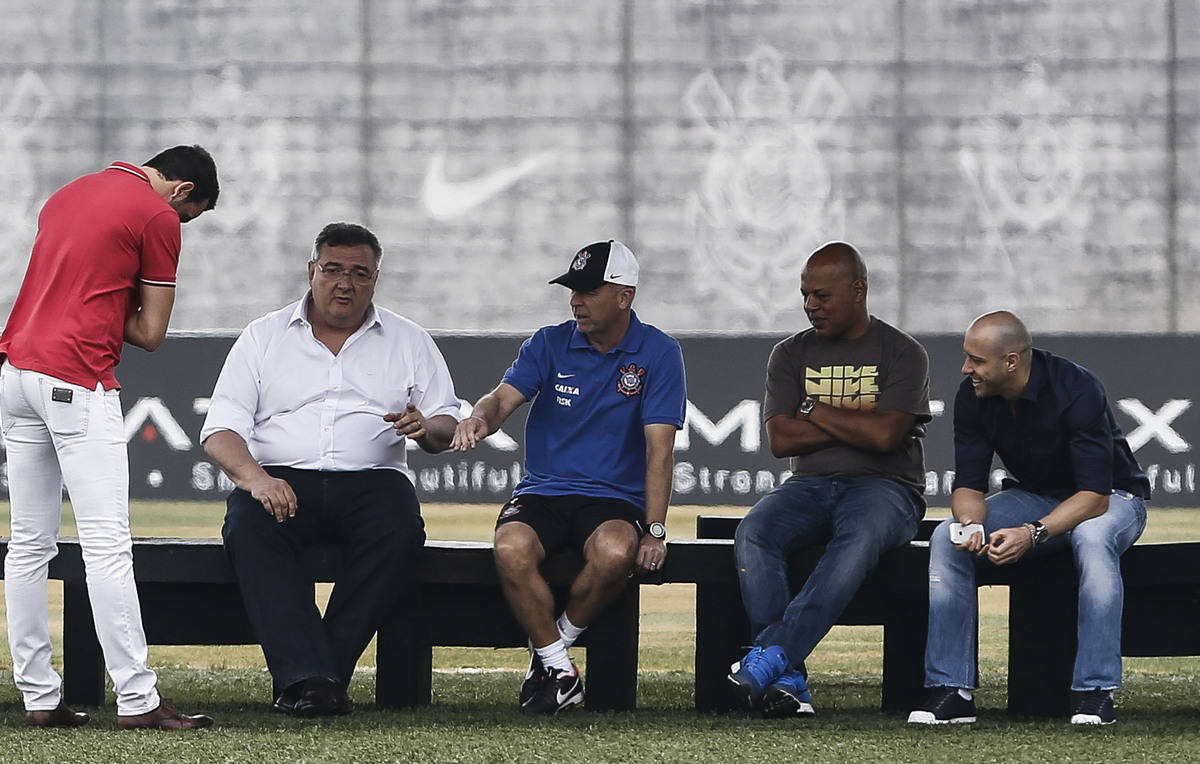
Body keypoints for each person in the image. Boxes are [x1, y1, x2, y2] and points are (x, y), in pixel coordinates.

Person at [200, 222, 460, 717]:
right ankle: (317, 679)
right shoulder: (263, 336)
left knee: (401, 530)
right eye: (333, 269)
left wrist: (425, 427)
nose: (345, 283)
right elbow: (221, 431)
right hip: (280, 476)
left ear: (376, 280)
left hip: (373, 480)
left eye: (360, 273)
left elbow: (445, 424)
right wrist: (257, 480)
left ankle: (315, 677)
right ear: (311, 271)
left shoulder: (409, 339)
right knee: (247, 526)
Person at [0, 145, 219, 730]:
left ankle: (39, 697)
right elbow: (151, 332)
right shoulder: (159, 216)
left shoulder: (69, 192)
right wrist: (106, 300)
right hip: (76, 377)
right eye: (191, 215)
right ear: (180, 192)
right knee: (105, 544)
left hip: (17, 373)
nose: (183, 226)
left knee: (26, 545)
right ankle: (138, 700)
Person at [451, 240, 686, 715]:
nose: (575, 299)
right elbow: (501, 399)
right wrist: (480, 418)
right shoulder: (548, 342)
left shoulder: (659, 353)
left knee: (617, 551)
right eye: (572, 289)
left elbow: (659, 451)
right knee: (510, 547)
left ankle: (548, 660)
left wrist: (656, 531)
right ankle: (561, 668)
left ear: (624, 296)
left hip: (614, 499)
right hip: (543, 491)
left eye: (589, 290)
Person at [908, 311, 1150, 726]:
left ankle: (1095, 692)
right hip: (1035, 496)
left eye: (976, 361)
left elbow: (1093, 497)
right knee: (948, 537)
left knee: (1091, 540)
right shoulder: (973, 395)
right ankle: (952, 691)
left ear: (1012, 362)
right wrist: (972, 524)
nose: (967, 369)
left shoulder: (1077, 387)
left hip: (1113, 497)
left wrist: (1032, 533)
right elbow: (969, 486)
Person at [728, 241, 931, 718]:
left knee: (857, 537)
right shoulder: (789, 354)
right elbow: (781, 440)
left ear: (858, 290)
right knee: (754, 532)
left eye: (822, 296)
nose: (810, 306)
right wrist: (859, 423)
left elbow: (885, 438)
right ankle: (789, 679)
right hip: (808, 486)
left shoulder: (903, 352)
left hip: (889, 489)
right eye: (805, 295)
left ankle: (774, 654)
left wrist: (812, 408)